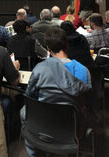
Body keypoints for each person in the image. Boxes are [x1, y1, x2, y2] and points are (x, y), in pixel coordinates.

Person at [21, 28, 91, 157]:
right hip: (74, 127)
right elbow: (85, 101)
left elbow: (30, 95)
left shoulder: (40, 69)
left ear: (47, 48)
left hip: (44, 124)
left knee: (24, 111)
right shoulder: (83, 71)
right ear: (67, 44)